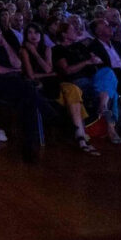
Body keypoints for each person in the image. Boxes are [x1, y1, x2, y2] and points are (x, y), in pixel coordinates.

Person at [0, 20, 56, 163]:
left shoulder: (3, 47)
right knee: (28, 91)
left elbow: (18, 63)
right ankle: (48, 112)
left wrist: (5, 44)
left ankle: (29, 145)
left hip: (13, 83)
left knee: (27, 100)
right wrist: (13, 71)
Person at [19, 23, 95, 155]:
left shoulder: (48, 49)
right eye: (30, 33)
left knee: (73, 90)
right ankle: (82, 137)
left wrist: (36, 54)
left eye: (36, 33)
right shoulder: (23, 50)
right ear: (25, 35)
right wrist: (33, 53)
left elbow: (48, 68)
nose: (33, 36)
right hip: (36, 85)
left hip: (53, 82)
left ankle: (80, 135)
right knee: (72, 95)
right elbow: (31, 75)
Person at [53, 21, 121, 144]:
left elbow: (97, 60)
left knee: (108, 72)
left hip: (94, 78)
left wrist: (94, 60)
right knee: (113, 94)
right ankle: (111, 128)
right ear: (64, 34)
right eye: (72, 30)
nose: (76, 32)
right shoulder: (58, 49)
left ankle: (103, 105)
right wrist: (86, 62)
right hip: (78, 81)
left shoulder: (80, 46)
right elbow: (67, 71)